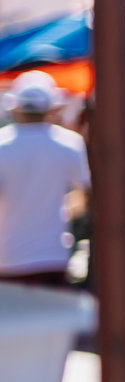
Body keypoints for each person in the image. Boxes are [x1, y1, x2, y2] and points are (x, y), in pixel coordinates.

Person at [0, 70, 90, 286]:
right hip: (52, 253)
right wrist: (58, 212)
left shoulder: (2, 145)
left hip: (6, 255)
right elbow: (83, 195)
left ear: (15, 106)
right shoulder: (70, 144)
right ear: (52, 107)